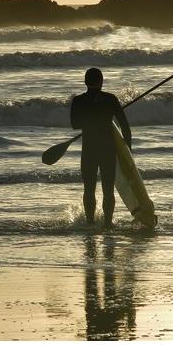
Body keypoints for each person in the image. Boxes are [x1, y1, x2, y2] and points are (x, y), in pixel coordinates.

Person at [70, 68, 131, 228]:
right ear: (101, 81)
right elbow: (124, 125)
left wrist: (90, 122)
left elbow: (74, 124)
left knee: (89, 189)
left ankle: (90, 222)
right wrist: (128, 152)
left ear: (85, 82)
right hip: (107, 149)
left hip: (89, 149)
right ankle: (108, 223)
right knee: (108, 189)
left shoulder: (78, 100)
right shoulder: (110, 99)